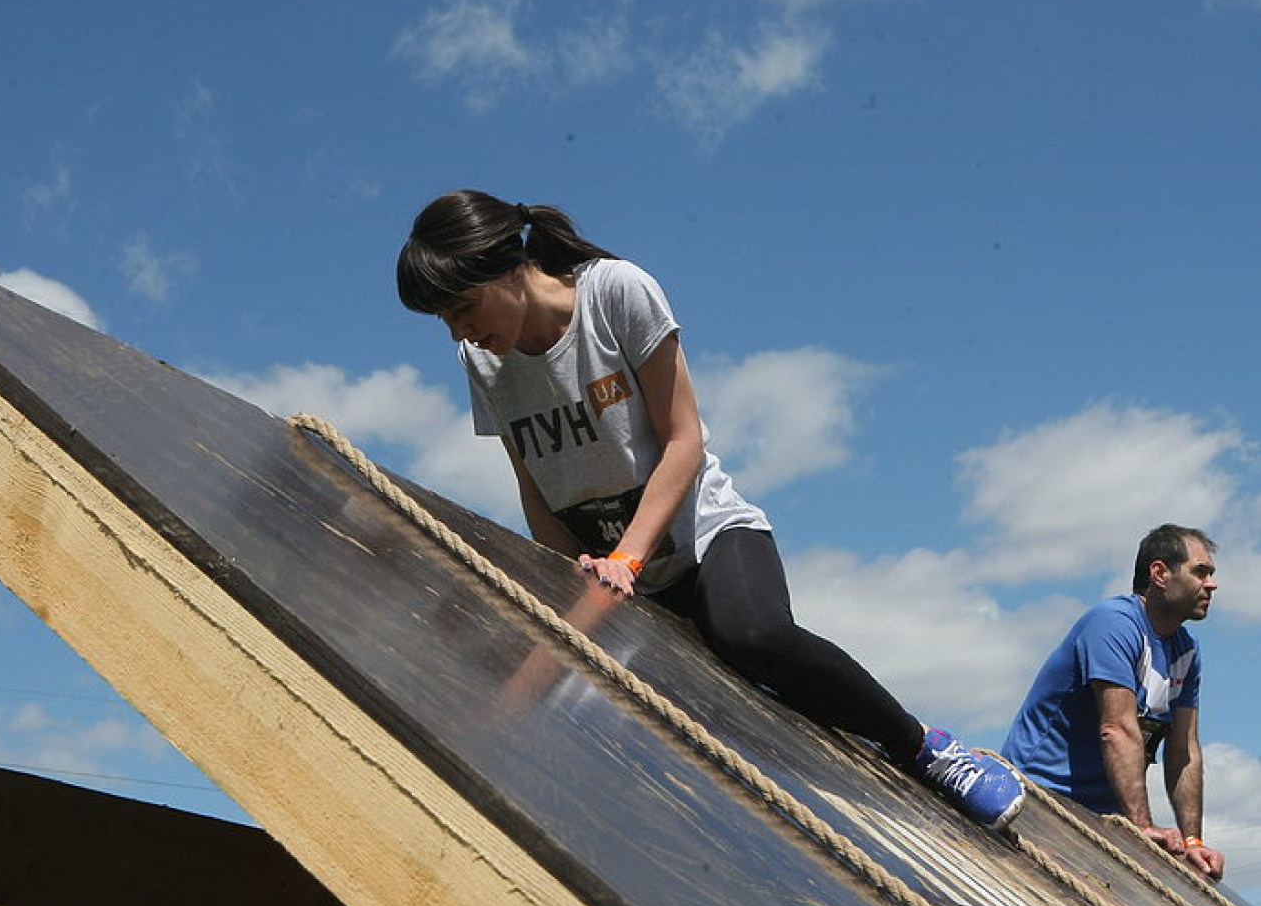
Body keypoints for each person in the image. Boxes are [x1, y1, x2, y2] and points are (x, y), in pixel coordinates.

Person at [396, 189, 1024, 830]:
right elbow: (534, 487)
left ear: (507, 267)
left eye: (463, 308)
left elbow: (684, 439)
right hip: (616, 576)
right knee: (575, 696)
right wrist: (572, 581)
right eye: (444, 319)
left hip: (704, 540)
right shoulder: (482, 362)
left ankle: (925, 748)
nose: (459, 330)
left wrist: (627, 558)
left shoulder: (615, 293)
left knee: (752, 637)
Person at [1002, 524, 1226, 879]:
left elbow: (1183, 751)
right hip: (1041, 797)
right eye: (1200, 572)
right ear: (1159, 573)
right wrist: (1141, 827)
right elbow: (1116, 729)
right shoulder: (1114, 623)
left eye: (1211, 574)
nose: (1211, 584)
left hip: (1103, 818)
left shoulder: (1186, 650)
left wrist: (1193, 841)